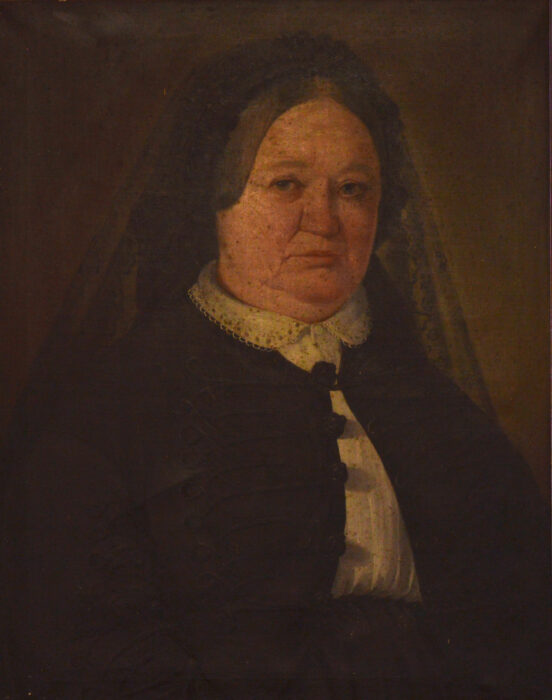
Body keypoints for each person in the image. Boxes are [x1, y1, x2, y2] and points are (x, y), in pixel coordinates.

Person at [4, 34, 549, 699]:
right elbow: (82, 645)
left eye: (353, 189)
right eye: (286, 184)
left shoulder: (435, 406)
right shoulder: (113, 409)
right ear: (212, 197)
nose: (324, 221)